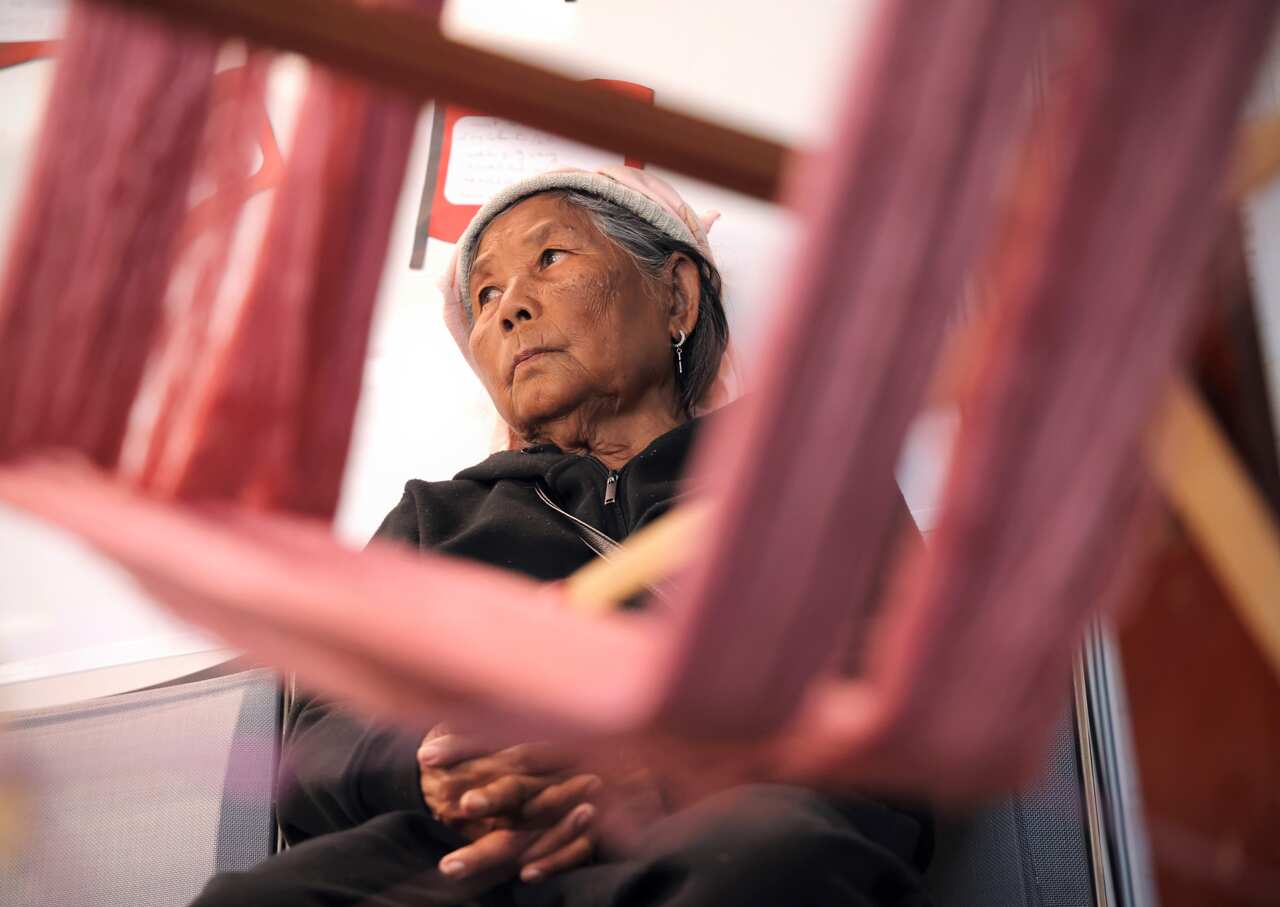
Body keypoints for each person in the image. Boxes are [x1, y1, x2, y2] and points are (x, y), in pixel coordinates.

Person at [190, 166, 933, 906]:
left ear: (675, 295)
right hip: (468, 860)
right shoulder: (435, 520)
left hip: (718, 838)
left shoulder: (807, 479)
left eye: (550, 258)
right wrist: (429, 763)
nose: (509, 306)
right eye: (485, 294)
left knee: (771, 861)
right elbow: (317, 742)